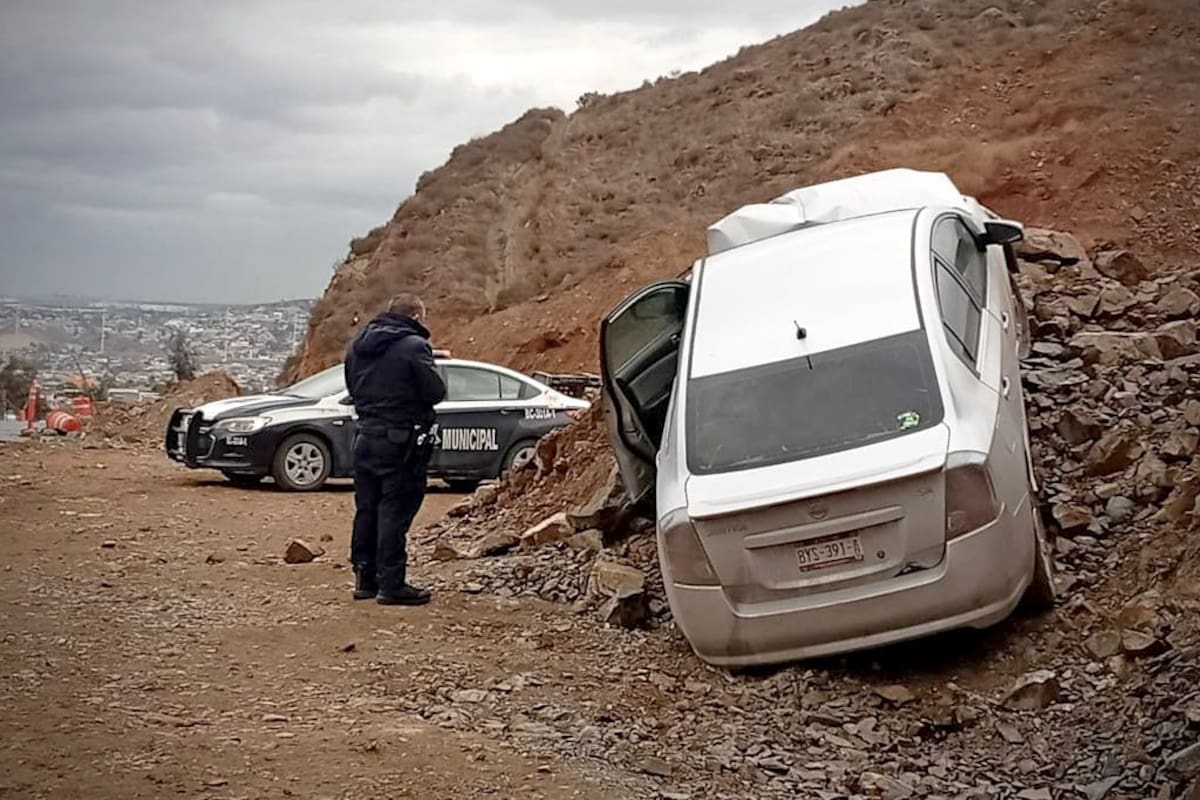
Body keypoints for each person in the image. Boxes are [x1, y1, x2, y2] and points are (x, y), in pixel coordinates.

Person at [344, 293, 446, 605]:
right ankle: (392, 583)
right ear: (415, 317)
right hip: (400, 438)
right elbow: (435, 391)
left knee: (367, 508)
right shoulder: (415, 346)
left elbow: (352, 386)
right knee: (394, 510)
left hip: (365, 435)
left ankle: (365, 578)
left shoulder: (358, 347)